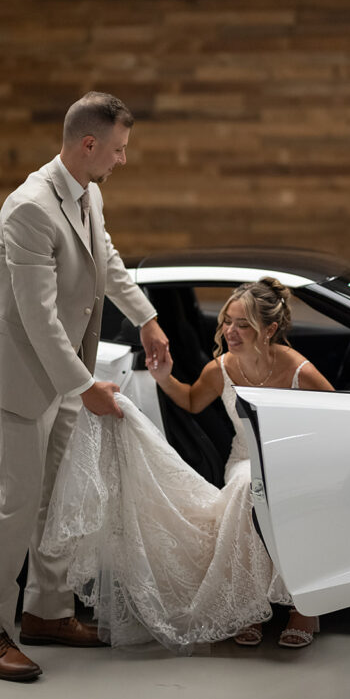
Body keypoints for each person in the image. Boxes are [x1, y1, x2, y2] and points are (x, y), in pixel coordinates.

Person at [0, 91, 168, 682]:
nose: (123, 160)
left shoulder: (89, 193)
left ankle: (46, 613)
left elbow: (108, 258)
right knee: (17, 503)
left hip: (66, 369)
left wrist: (147, 318)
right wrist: (86, 388)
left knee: (54, 501)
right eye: (119, 149)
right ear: (88, 144)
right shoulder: (29, 208)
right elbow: (36, 318)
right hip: (26, 374)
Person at [41, 277, 333, 652]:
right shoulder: (222, 368)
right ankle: (250, 607)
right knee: (247, 487)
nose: (230, 331)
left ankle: (301, 608)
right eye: (227, 321)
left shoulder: (298, 370)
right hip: (245, 460)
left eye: (242, 324)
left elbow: (335, 415)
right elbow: (193, 401)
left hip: (292, 463)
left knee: (270, 492)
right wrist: (164, 377)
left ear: (270, 329)